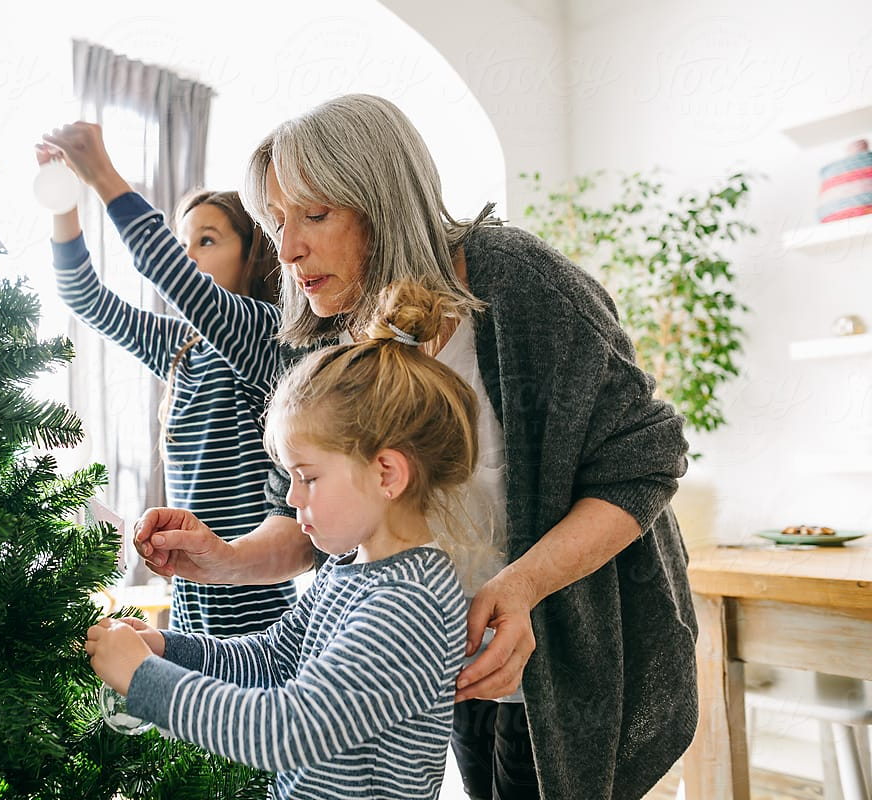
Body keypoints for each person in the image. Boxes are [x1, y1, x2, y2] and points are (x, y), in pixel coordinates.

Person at [132, 94, 697, 800]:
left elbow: (643, 464)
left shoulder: (519, 287)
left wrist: (520, 587)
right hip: (450, 652)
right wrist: (230, 561)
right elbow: (334, 519)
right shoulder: (345, 325)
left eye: (315, 214)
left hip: (563, 648)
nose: (289, 249)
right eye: (277, 223)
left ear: (383, 201)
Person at [87, 281, 477, 800]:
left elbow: (286, 730)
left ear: (387, 474)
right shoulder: (347, 569)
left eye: (308, 477)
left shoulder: (408, 604)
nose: (291, 498)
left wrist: (143, 679)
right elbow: (273, 660)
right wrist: (164, 648)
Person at [38, 122, 295, 637]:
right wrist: (63, 201)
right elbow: (84, 297)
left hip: (256, 603)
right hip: (191, 599)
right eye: (183, 242)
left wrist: (105, 176)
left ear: (253, 253)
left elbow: (176, 278)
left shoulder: (267, 335)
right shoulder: (181, 348)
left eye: (207, 240)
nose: (189, 254)